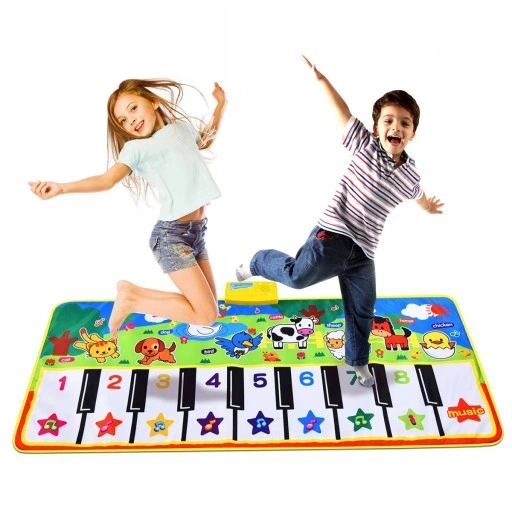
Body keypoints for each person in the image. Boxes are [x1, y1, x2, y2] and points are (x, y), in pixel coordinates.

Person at [235, 55, 444, 387]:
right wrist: (321, 80)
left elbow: (417, 192)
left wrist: (427, 206)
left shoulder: (410, 174)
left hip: (363, 254)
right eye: (388, 121)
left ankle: (358, 362)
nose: (396, 128)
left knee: (362, 309)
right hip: (332, 237)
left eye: (404, 123)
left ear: (413, 133)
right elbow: (343, 113)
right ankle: (257, 262)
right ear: (376, 128)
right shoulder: (365, 146)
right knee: (297, 277)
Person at [29, 78, 227, 339]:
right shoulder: (136, 149)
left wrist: (221, 105)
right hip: (172, 238)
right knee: (205, 315)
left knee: (210, 307)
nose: (130, 121)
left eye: (133, 108)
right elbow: (106, 180)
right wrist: (62, 188)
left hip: (197, 233)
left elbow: (205, 139)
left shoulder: (180, 129)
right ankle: (132, 299)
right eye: (123, 120)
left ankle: (131, 294)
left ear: (153, 102)